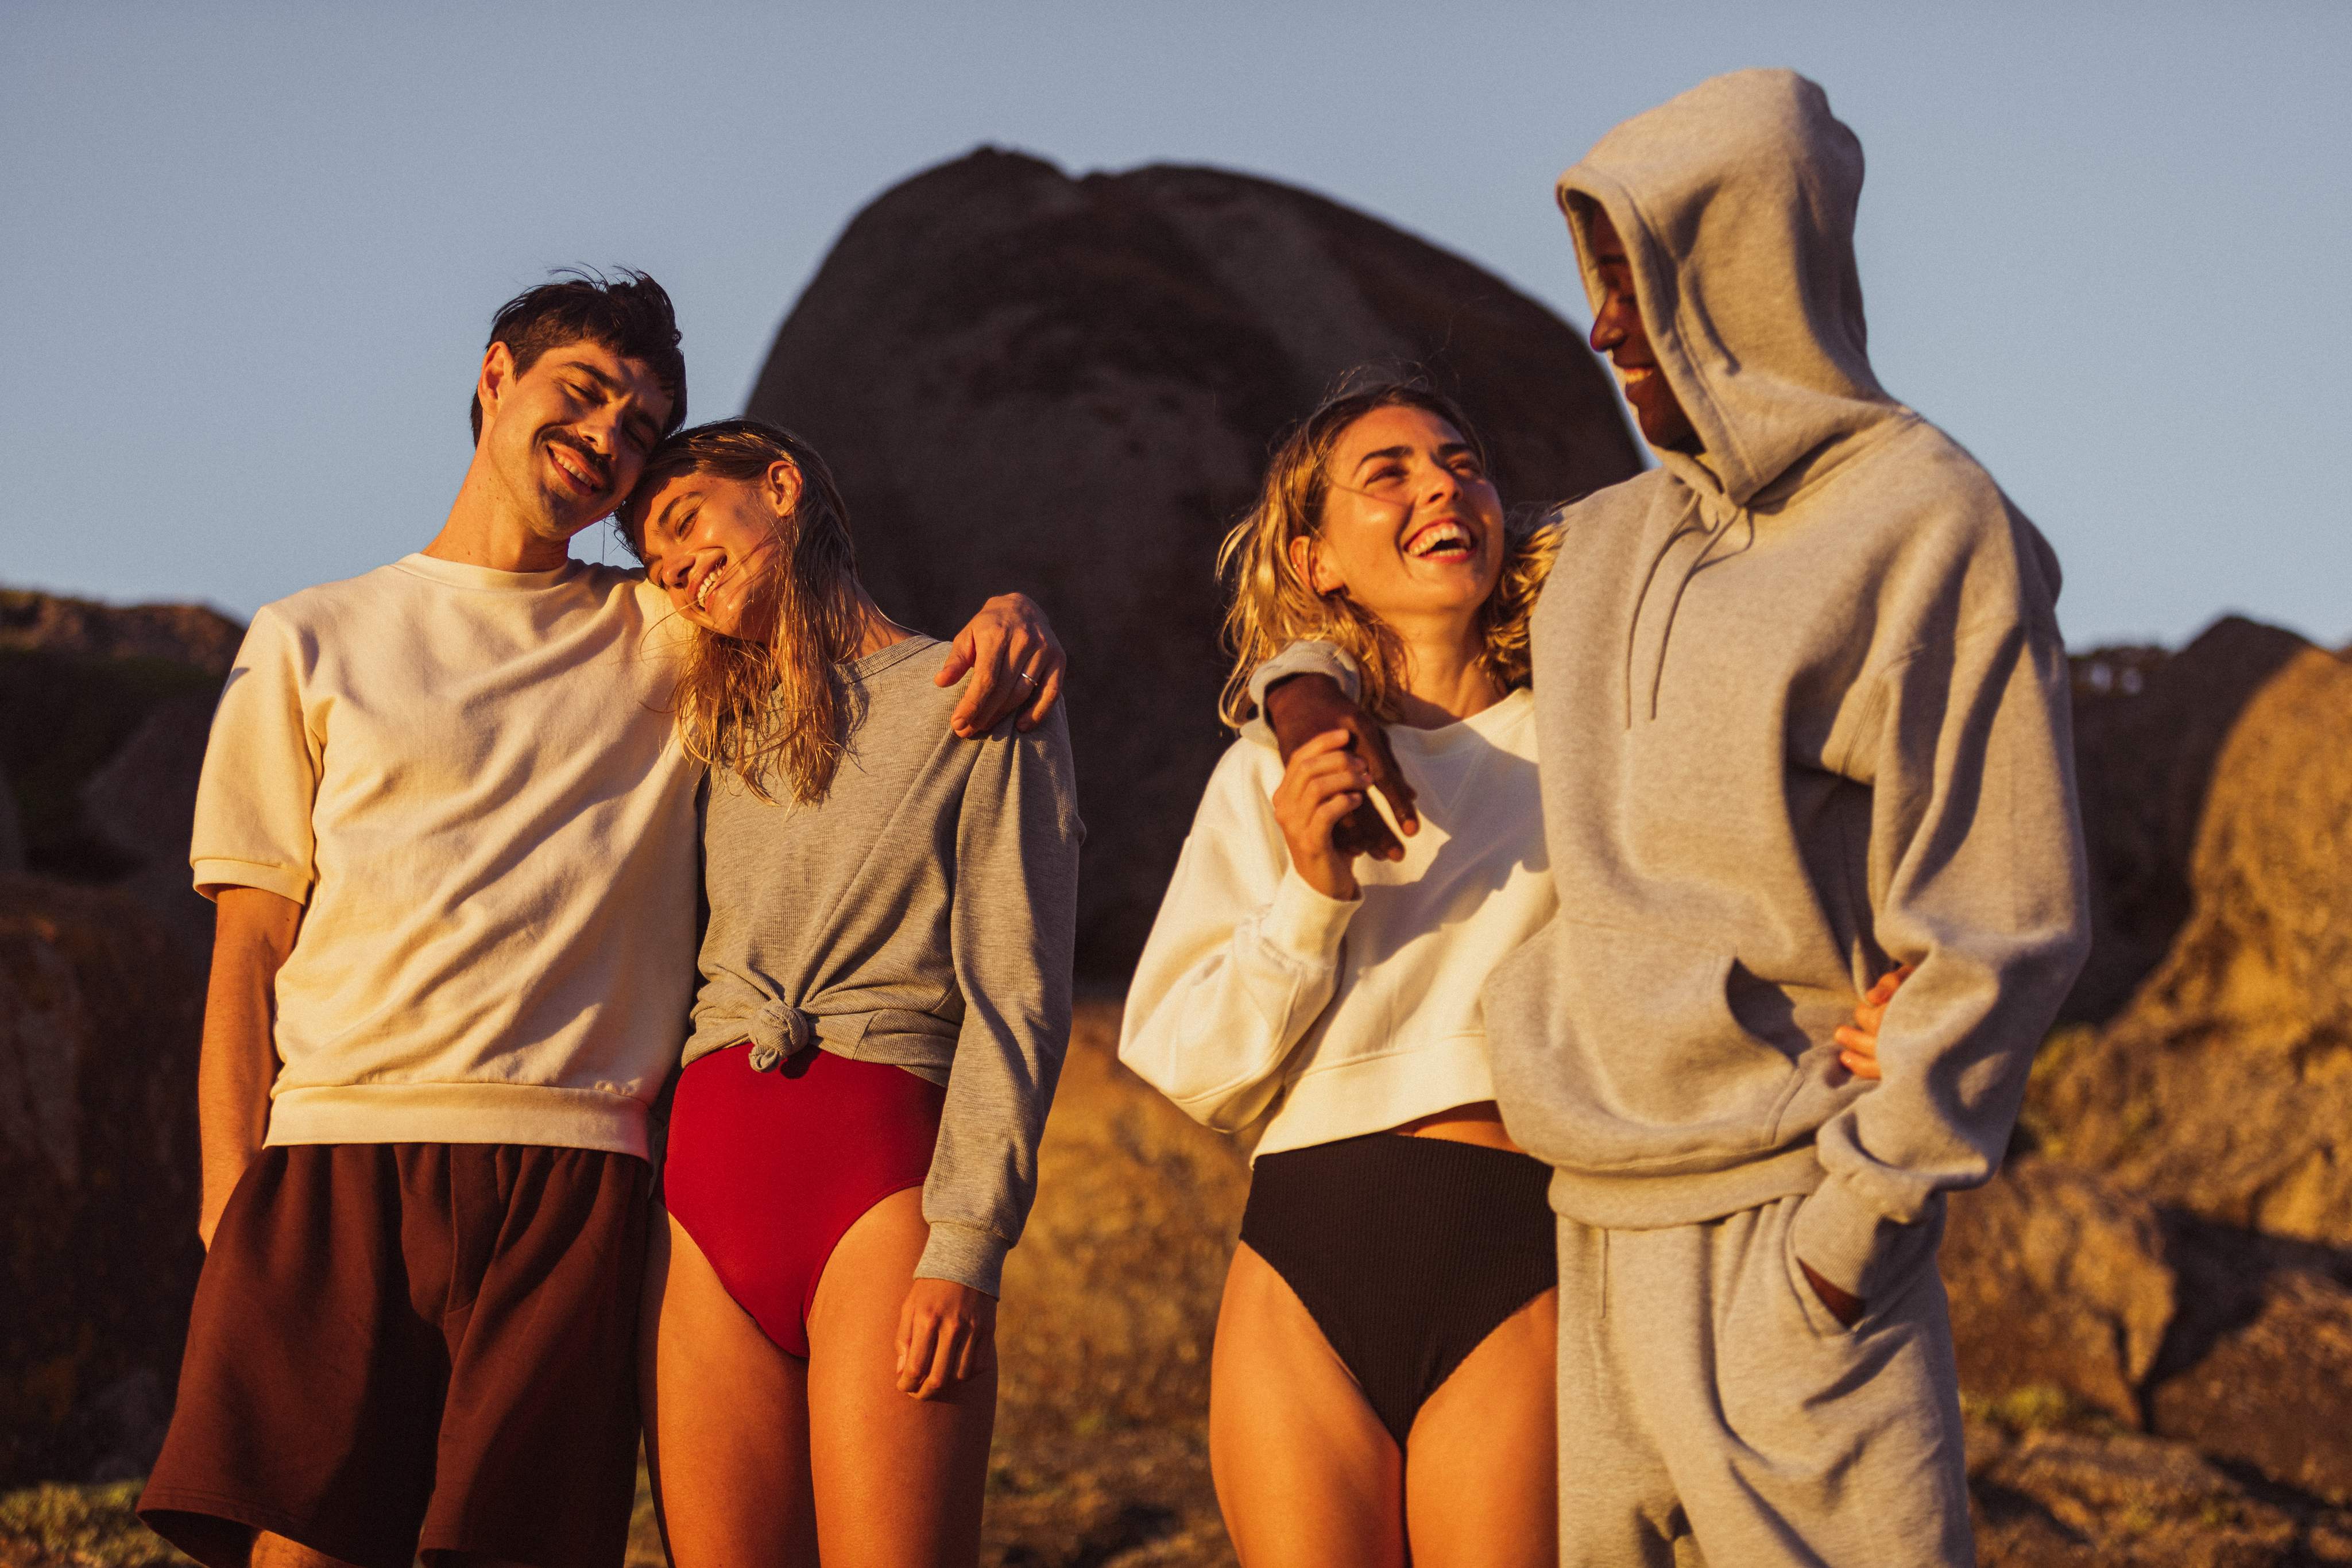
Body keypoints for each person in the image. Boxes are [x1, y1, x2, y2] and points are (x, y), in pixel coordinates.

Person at [1259, 71, 2089, 1567]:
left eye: (1630, 280)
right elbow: (1376, 599)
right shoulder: (1601, 545)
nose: (1600, 326)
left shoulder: (1926, 525)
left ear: (1745, 266)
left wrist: (1856, 1230)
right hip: (1591, 1244)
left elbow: (2009, 918)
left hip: (1800, 1243)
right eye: (1595, 285)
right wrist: (1307, 695)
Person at [138, 273, 1065, 1568]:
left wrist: (1014, 613)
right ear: (494, 375)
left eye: (641, 429)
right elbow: (249, 954)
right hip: (341, 1157)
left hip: (579, 1174)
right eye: (585, 392)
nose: (609, 438)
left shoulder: (669, 632)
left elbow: (841, 656)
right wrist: (232, 1210)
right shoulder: (310, 639)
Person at [1124, 381, 1902, 1568]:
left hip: (1517, 1244)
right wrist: (1307, 891)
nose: (1440, 486)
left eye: (1461, 463)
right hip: (1297, 1260)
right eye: (1386, 474)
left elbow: (1741, 901)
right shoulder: (1262, 773)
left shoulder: (1590, 745)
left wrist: (1872, 992)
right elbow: (1187, 1066)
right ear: (1315, 558)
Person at [617, 419, 1082, 1567]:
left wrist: (967, 1245)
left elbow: (1015, 989)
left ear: (779, 486)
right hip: (703, 1200)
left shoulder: (973, 693)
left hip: (878, 1186)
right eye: (656, 563)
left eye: (685, 524)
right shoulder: (699, 728)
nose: (675, 569)